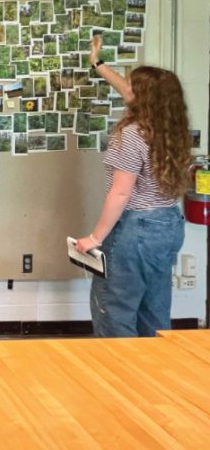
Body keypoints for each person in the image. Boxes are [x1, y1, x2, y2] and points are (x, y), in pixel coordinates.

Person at [75, 36, 191, 337]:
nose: (124, 85)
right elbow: (125, 87)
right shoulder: (173, 129)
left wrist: (94, 238)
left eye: (130, 85)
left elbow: (121, 192)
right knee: (154, 309)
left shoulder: (130, 135)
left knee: (114, 310)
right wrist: (97, 63)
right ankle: (152, 377)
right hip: (168, 223)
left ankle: (118, 378)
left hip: (135, 231)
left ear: (142, 97)